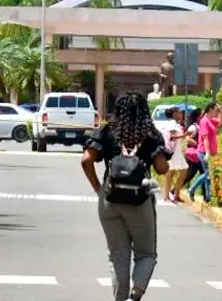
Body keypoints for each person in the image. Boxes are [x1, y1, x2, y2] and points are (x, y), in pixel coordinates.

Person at [81, 92, 170, 301]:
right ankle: (135, 295)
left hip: (110, 200)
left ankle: (120, 299)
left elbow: (86, 160)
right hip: (139, 202)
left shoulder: (107, 130)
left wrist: (98, 188)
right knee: (146, 254)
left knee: (118, 257)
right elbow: (161, 167)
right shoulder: (149, 134)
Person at [188, 102, 222, 203]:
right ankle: (192, 189)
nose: (217, 110)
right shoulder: (204, 121)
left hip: (212, 151)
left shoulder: (211, 120)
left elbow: (221, 122)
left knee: (208, 176)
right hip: (204, 151)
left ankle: (208, 197)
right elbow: (205, 138)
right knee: (208, 173)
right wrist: (207, 153)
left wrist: (221, 111)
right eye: (216, 108)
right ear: (211, 109)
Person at [161, 108, 190, 203]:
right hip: (173, 152)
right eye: (179, 113)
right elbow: (171, 137)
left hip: (175, 151)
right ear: (174, 114)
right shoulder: (171, 123)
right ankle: (170, 195)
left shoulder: (172, 123)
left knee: (173, 172)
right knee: (175, 172)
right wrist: (184, 135)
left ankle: (172, 194)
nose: (181, 114)